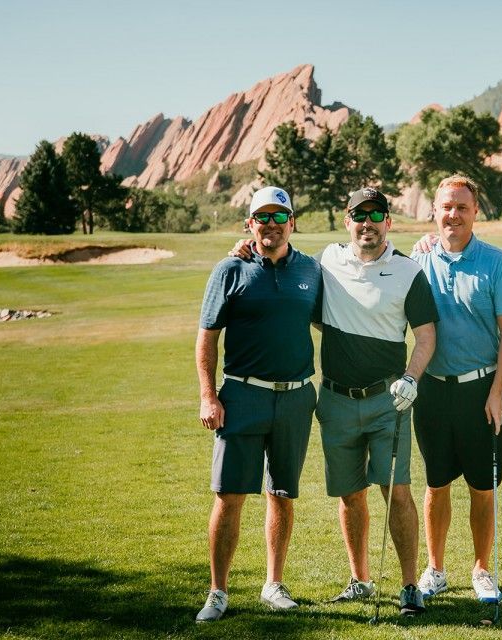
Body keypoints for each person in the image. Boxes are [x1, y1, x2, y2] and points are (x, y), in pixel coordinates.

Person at [231, 186, 438, 616]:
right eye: (358, 215)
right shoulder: (325, 262)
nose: (368, 223)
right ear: (347, 221)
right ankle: (360, 580)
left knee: (396, 491)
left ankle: (409, 586)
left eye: (376, 214)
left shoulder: (408, 270)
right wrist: (248, 246)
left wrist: (411, 377)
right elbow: (284, 266)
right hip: (336, 400)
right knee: (349, 494)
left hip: (389, 400)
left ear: (388, 222)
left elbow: (427, 335)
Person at [194, 186, 323, 623]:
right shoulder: (231, 269)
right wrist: (208, 395)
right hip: (243, 395)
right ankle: (217, 592)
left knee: (282, 494)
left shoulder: (311, 269)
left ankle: (274, 583)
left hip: (295, 397)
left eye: (279, 215)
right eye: (262, 216)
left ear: (292, 221)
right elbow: (207, 337)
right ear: (250, 224)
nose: (271, 223)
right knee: (229, 496)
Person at [408, 175, 502, 604]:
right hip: (433, 393)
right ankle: (435, 569)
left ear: (476, 212)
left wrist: (497, 392)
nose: (453, 214)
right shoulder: (418, 261)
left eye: (461, 207)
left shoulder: (497, 263)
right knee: (436, 484)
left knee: (482, 486)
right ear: (433, 212)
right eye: (446, 207)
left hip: (482, 392)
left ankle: (481, 568)